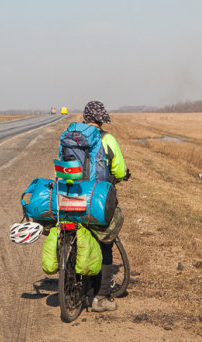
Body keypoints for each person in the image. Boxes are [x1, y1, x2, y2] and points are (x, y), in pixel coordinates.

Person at [80, 100, 129, 312]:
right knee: (106, 243)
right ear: (101, 120)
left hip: (71, 197)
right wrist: (123, 176)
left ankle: (81, 288)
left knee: (79, 238)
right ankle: (101, 297)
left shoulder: (70, 137)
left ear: (85, 118)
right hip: (97, 201)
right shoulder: (107, 139)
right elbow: (118, 170)